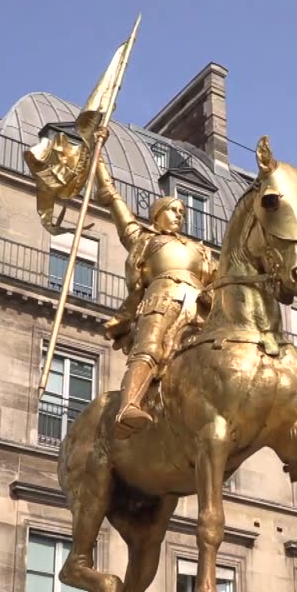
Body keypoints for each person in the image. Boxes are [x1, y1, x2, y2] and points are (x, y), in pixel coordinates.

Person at [92, 147, 216, 439]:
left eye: (182, 212)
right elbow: (113, 199)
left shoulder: (199, 249)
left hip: (198, 306)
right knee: (149, 346)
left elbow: (220, 278)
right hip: (161, 299)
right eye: (173, 210)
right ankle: (128, 407)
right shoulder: (145, 240)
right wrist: (98, 164)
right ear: (157, 215)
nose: (179, 216)